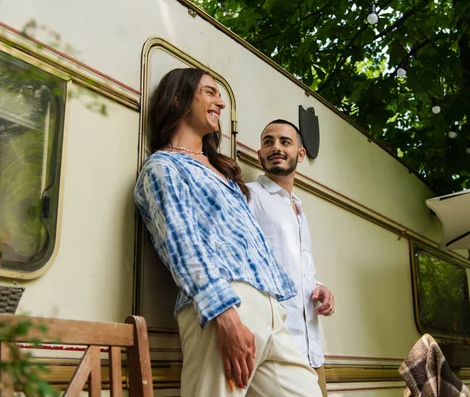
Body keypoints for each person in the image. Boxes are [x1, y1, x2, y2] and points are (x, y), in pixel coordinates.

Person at [134, 68, 322, 397]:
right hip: (226, 305)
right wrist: (225, 313)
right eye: (209, 92)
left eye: (220, 94)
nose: (220, 102)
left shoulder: (221, 171)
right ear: (178, 99)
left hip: (270, 310)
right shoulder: (164, 167)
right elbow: (183, 246)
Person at [247, 119, 336, 397]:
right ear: (259, 154)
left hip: (312, 348)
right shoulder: (248, 195)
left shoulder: (298, 208)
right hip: (277, 349)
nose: (276, 147)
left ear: (300, 154)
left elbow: (293, 265)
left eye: (285, 142)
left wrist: (318, 286)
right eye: (268, 142)